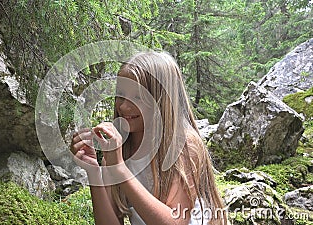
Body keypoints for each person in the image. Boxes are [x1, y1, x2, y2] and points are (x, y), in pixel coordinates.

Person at [71, 51, 226, 225]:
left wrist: (120, 170)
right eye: (120, 95)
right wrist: (93, 172)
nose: (123, 105)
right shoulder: (120, 149)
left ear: (162, 100)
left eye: (138, 96)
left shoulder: (184, 146)